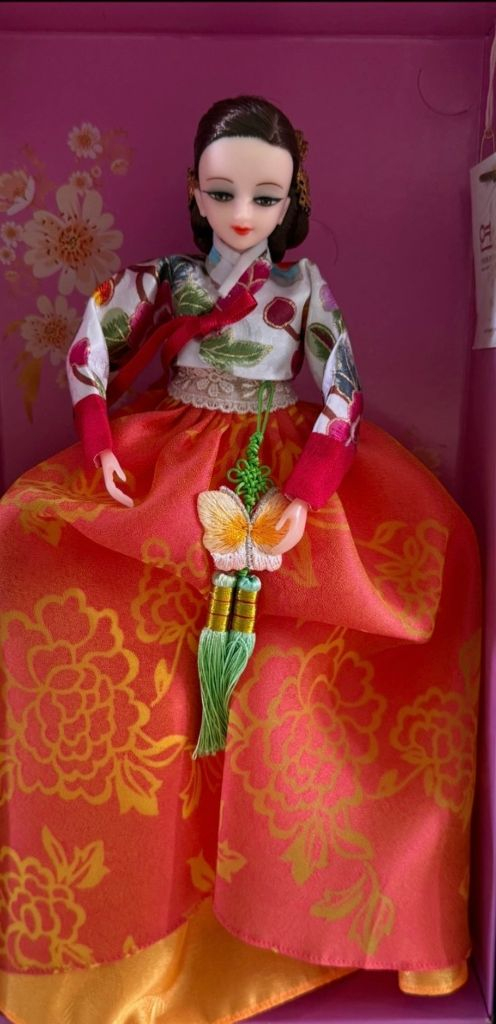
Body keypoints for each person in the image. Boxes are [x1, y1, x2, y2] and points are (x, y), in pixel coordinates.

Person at [0, 96, 481, 1024]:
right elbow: (93, 342)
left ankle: (278, 914)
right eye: (223, 193)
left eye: (266, 196)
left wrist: (305, 491)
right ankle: (142, 921)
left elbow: (342, 388)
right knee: (78, 588)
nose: (243, 212)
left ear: (293, 198)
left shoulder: (303, 290)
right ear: (194, 190)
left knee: (299, 669)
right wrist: (96, 433)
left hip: (273, 467)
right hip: (169, 455)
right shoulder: (167, 281)